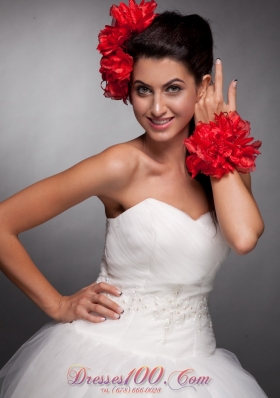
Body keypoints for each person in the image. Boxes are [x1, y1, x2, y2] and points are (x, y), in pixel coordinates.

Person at [0, 0, 267, 396]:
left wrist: (215, 138)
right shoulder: (120, 165)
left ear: (204, 88)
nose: (156, 108)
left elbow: (244, 236)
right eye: (144, 90)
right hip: (106, 362)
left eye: (173, 89)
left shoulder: (227, 161)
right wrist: (58, 305)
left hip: (197, 372)